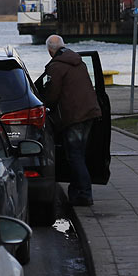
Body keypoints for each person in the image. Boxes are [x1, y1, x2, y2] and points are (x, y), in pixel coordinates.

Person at [41, 34, 101, 206]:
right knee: (80, 154)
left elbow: (52, 95)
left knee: (74, 155)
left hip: (73, 116)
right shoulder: (78, 61)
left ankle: (84, 194)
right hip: (89, 113)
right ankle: (78, 191)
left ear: (50, 51)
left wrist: (43, 102)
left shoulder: (56, 67)